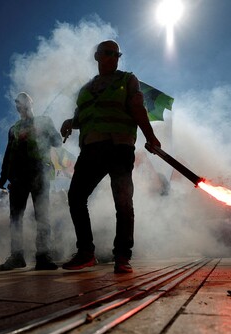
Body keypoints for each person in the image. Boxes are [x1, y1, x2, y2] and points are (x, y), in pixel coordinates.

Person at [60, 40, 161, 274]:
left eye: (117, 54)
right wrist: (70, 123)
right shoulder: (85, 90)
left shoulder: (127, 80)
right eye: (108, 53)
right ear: (97, 56)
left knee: (123, 201)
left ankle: (123, 256)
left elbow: (137, 108)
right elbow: (82, 116)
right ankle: (86, 253)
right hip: (91, 149)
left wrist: (150, 137)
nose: (114, 57)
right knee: (76, 197)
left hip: (119, 146)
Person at [0, 92, 62, 271]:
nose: (21, 105)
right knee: (15, 217)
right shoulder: (14, 128)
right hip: (18, 176)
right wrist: (4, 175)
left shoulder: (44, 121)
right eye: (18, 103)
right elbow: (8, 152)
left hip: (39, 172)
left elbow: (58, 142)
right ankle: (17, 256)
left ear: (31, 103)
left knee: (42, 215)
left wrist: (45, 132)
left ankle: (43, 256)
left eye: (24, 101)